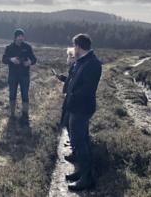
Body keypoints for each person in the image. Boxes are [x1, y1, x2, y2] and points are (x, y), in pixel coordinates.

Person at [64, 34, 102, 191]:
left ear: (79, 46)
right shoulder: (82, 61)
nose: (73, 49)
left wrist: (72, 95)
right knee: (80, 140)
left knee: (80, 143)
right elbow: (74, 80)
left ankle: (87, 179)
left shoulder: (93, 64)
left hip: (81, 108)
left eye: (74, 46)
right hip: (76, 107)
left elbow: (87, 89)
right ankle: (81, 172)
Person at [2, 29, 37, 122]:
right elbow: (4, 59)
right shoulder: (9, 47)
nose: (21, 38)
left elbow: (34, 59)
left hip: (24, 75)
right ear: (15, 37)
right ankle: (12, 114)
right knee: (12, 94)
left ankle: (25, 114)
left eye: (22, 36)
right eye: (19, 36)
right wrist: (11, 59)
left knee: (25, 94)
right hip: (13, 75)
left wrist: (29, 62)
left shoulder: (27, 47)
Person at [55, 48, 76, 138]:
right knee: (66, 116)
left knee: (67, 118)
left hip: (71, 97)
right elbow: (70, 80)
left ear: (73, 57)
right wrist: (62, 78)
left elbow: (73, 82)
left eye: (69, 56)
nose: (67, 58)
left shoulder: (75, 68)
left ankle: (70, 139)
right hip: (70, 96)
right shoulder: (74, 67)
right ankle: (68, 137)